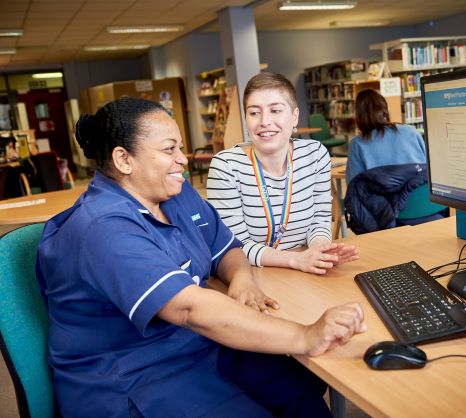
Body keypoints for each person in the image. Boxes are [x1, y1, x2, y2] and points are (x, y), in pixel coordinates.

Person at [36, 97, 367, 417]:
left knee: (299, 384)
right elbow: (188, 308)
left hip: (194, 347)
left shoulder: (174, 195)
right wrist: (305, 334)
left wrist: (241, 279)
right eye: (169, 149)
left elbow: (227, 248)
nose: (183, 159)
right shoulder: (101, 228)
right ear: (124, 160)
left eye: (180, 147)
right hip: (134, 377)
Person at [207, 73, 358, 274]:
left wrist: (319, 252)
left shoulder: (315, 154)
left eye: (275, 110)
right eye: (254, 113)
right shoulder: (226, 166)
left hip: (303, 272)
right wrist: (296, 260)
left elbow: (320, 219)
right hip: (252, 275)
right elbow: (234, 247)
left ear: (294, 116)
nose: (264, 121)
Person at [345, 89, 427, 184]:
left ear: (359, 115)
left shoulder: (357, 143)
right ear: (385, 110)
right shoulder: (411, 131)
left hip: (382, 198)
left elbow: (353, 186)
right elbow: (427, 167)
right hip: (418, 195)